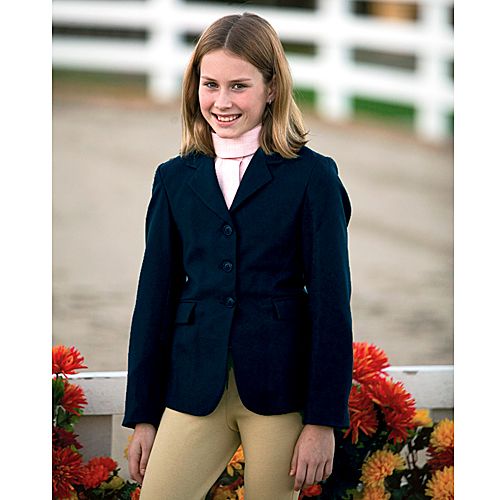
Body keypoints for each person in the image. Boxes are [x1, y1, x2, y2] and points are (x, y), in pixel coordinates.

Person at [122, 12, 353, 500]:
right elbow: (154, 299)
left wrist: (322, 421)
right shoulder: (174, 178)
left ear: (272, 88)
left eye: (239, 86)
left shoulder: (313, 178)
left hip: (278, 393)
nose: (222, 102)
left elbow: (331, 303)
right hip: (193, 388)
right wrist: (143, 413)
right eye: (210, 84)